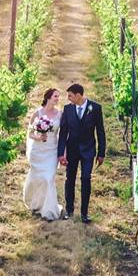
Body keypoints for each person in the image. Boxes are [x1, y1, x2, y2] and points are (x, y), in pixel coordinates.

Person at [56, 83, 106, 223]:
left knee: (85, 179)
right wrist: (61, 153)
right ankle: (69, 210)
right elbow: (63, 133)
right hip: (72, 150)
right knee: (70, 179)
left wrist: (101, 153)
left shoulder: (95, 108)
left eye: (70, 95)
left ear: (78, 95)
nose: (68, 98)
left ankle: (84, 213)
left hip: (88, 150)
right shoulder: (68, 109)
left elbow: (100, 131)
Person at [23, 88, 63, 221]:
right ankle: (36, 204)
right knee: (37, 178)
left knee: (48, 178)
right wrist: (39, 137)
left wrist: (63, 153)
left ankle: (49, 210)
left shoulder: (60, 114)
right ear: (48, 97)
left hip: (52, 150)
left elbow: (62, 135)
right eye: (55, 96)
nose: (57, 99)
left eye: (58, 96)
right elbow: (30, 133)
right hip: (38, 150)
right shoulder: (37, 113)